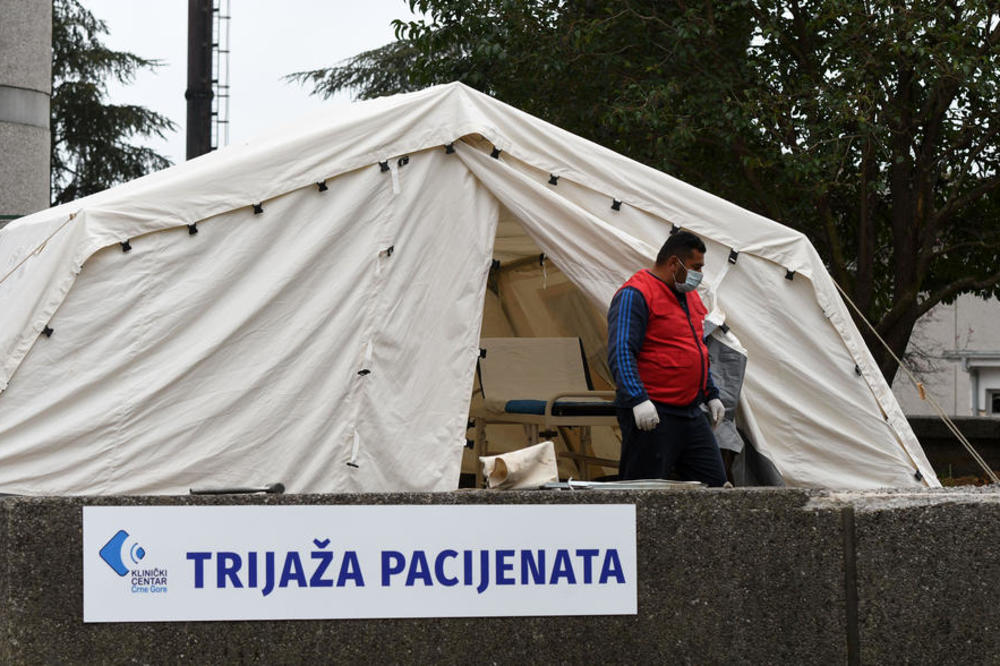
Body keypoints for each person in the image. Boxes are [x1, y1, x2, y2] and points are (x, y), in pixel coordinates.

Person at [607, 230, 728, 486]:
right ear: (674, 263)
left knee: (715, 485)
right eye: (696, 267)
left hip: (690, 411)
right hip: (654, 410)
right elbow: (621, 350)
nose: (699, 275)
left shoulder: (690, 297)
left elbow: (696, 349)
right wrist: (638, 399)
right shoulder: (636, 293)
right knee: (643, 490)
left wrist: (711, 393)